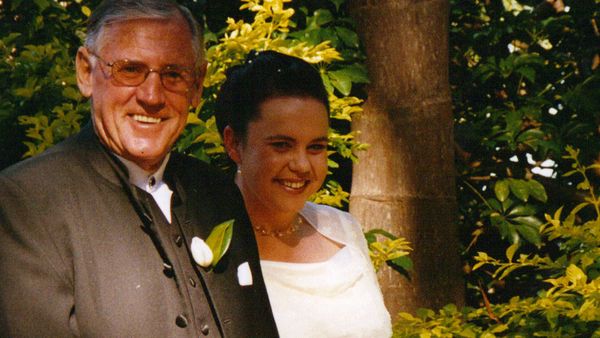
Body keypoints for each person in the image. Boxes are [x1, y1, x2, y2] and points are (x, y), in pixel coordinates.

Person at [0, 1, 278, 337]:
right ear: (86, 73)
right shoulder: (25, 201)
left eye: (174, 74)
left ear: (198, 85)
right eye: (130, 70)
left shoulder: (217, 194)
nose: (152, 96)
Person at [215, 50, 392, 337]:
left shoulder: (342, 228)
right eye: (282, 145)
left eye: (316, 147)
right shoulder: (208, 243)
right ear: (234, 143)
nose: (301, 165)